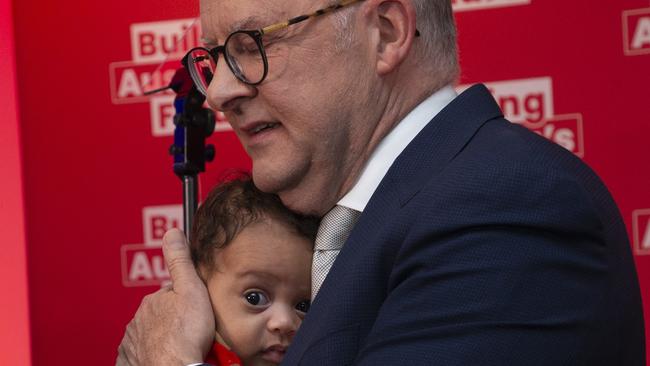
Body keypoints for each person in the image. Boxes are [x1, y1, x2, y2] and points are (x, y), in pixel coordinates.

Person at [117, 0, 646, 365]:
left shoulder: (506, 208)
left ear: (387, 32)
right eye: (215, 58)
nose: (220, 92)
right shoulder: (359, 220)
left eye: (250, 45)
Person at [189, 177, 317, 365]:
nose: (284, 322)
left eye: (304, 306)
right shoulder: (164, 351)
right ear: (200, 286)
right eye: (254, 298)